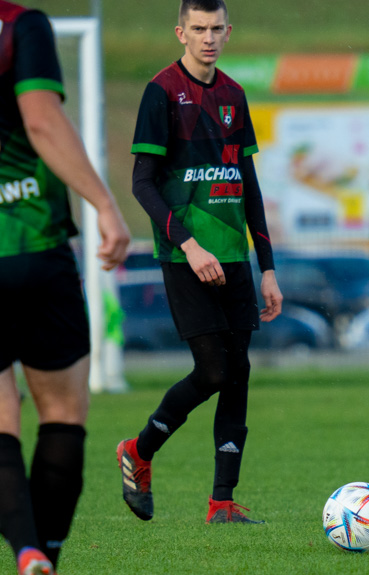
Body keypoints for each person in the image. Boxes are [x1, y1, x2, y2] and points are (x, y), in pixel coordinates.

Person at [117, 0, 282, 525]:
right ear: (180, 32)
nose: (208, 38)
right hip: (184, 254)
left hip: (234, 256)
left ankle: (222, 503)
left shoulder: (234, 94)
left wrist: (268, 267)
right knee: (213, 370)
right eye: (198, 29)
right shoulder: (161, 92)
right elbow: (143, 183)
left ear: (228, 32)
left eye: (216, 29)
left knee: (239, 375)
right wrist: (188, 244)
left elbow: (249, 186)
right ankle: (138, 451)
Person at [0, 2, 131, 573]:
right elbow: (41, 120)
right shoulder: (19, 25)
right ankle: (45, 553)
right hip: (32, 245)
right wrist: (105, 205)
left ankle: (26, 550)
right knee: (62, 412)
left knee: (2, 418)